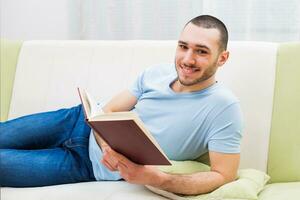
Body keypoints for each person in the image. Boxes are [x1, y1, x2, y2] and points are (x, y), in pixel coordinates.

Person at [0, 15, 243, 195]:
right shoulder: (156, 73)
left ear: (222, 58)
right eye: (183, 46)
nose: (187, 59)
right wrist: (107, 145)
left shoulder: (224, 107)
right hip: (76, 121)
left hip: (86, 165)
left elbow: (223, 175)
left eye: (201, 51)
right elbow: (111, 110)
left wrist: (159, 179)